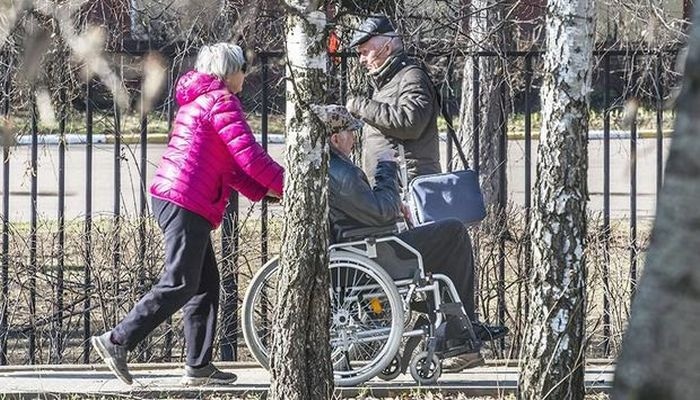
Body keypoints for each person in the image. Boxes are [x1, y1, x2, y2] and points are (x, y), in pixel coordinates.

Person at [91, 43, 284, 386]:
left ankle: (198, 366)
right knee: (180, 282)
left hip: (180, 199)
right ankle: (117, 340)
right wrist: (290, 184)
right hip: (185, 202)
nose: (245, 74)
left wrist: (268, 192)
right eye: (242, 68)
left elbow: (232, 168)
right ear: (228, 72)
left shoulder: (202, 101)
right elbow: (251, 158)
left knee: (205, 285)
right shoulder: (221, 103)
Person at [312, 104, 507, 372]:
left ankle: (458, 331)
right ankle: (458, 334)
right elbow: (381, 210)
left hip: (369, 248)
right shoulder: (341, 172)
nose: (354, 138)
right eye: (349, 132)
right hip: (378, 253)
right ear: (335, 138)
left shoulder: (331, 168)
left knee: (444, 246)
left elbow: (372, 210)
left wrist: (390, 202)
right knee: (454, 232)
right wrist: (387, 168)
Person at [345, 15, 441, 184]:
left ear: (387, 48)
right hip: (392, 184)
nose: (361, 60)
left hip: (407, 186)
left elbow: (411, 123)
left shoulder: (411, 77)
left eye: (365, 52)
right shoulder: (387, 81)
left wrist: (360, 105)